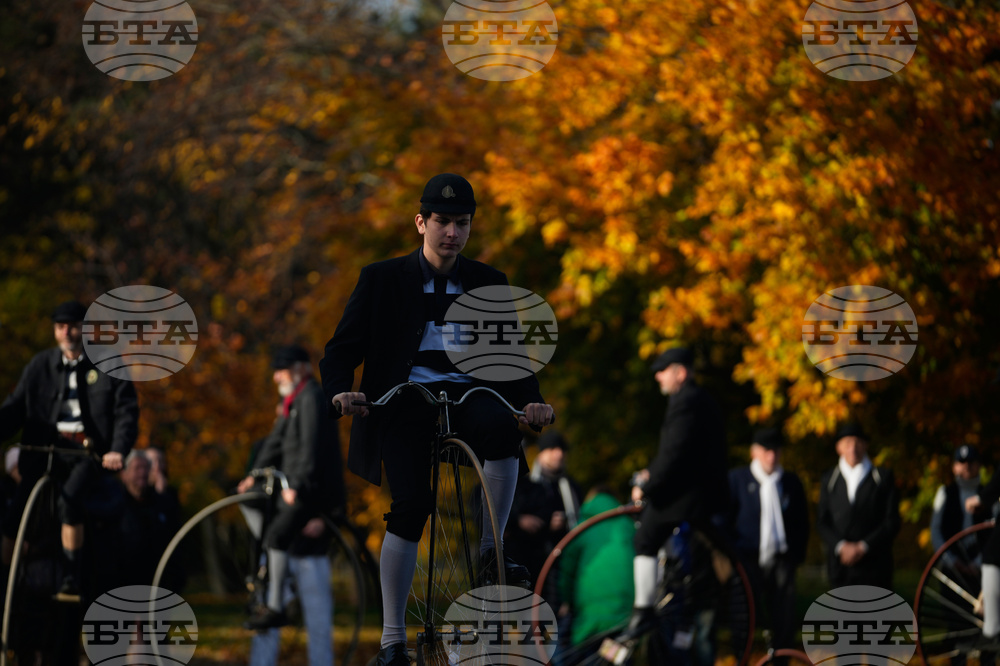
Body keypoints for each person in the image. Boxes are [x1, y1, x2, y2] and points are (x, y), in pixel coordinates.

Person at [319, 173, 555, 666]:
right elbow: (340, 350)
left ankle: (492, 551)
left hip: (469, 394)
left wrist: (531, 403)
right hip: (404, 400)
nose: (452, 232)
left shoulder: (489, 283)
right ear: (421, 223)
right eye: (443, 222)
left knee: (500, 430)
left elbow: (512, 363)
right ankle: (391, 643)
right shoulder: (381, 278)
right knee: (410, 506)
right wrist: (340, 391)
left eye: (462, 224)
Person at [0, 300, 139, 597]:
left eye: (74, 326)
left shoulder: (108, 364)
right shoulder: (40, 366)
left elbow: (126, 413)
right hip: (44, 451)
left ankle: (70, 576)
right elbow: (15, 408)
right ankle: (7, 579)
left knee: (69, 500)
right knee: (15, 513)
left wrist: (117, 450)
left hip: (84, 455)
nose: (68, 333)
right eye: (61, 327)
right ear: (54, 331)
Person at [623, 346, 728, 666]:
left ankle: (642, 610)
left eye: (663, 370)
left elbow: (674, 453)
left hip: (689, 497)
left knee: (645, 538)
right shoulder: (699, 401)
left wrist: (648, 486)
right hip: (702, 495)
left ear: (680, 373)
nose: (658, 376)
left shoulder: (686, 403)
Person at [238, 344, 345, 647]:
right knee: (251, 504)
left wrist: (296, 484)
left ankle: (275, 605)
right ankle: (274, 567)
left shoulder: (311, 397)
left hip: (307, 489)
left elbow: (311, 447)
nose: (275, 377)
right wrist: (253, 475)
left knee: (277, 535)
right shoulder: (292, 400)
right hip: (294, 485)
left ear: (299, 369)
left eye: (280, 370)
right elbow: (275, 442)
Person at [726, 427, 809, 656]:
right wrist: (732, 556)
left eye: (776, 451)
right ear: (754, 452)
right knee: (744, 618)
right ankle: (742, 659)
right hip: (746, 559)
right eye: (766, 451)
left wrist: (795, 557)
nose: (771, 457)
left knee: (783, 619)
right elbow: (724, 520)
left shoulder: (790, 482)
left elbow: (802, 522)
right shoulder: (737, 479)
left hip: (782, 560)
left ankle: (780, 659)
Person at [816, 423, 900, 589]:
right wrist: (841, 547)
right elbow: (822, 522)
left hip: (875, 567)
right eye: (847, 443)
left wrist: (863, 547)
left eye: (857, 443)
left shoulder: (882, 478)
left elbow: (892, 521)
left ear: (865, 445)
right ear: (839, 447)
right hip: (841, 568)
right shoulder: (829, 479)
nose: (853, 448)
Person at [556, 487, 634, 657]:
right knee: (616, 656)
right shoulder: (628, 525)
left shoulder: (583, 528)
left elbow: (567, 573)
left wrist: (567, 601)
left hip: (589, 616)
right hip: (625, 612)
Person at [505, 429, 583, 595]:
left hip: (570, 555)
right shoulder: (530, 486)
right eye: (553, 449)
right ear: (541, 454)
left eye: (562, 449)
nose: (559, 454)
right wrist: (547, 523)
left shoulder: (574, 488)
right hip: (538, 558)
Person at [116, 449, 182, 588]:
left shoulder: (161, 503)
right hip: (123, 582)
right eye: (137, 468)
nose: (143, 473)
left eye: (146, 468)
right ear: (124, 474)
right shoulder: (114, 503)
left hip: (156, 583)